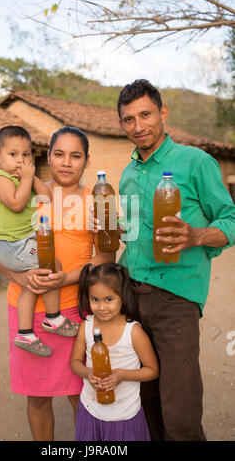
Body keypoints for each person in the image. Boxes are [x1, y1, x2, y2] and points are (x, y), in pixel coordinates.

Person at [115, 79, 235, 441]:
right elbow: (131, 233)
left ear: (163, 113)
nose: (139, 126)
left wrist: (197, 235)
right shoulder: (127, 174)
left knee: (179, 411)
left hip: (176, 300)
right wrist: (107, 228)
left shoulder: (195, 162)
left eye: (146, 114)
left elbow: (230, 219)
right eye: (129, 119)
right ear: (121, 124)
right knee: (143, 399)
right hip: (130, 296)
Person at [0, 126, 115, 441]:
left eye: (75, 156)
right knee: (37, 396)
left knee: (79, 393)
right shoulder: (26, 194)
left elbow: (108, 255)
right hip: (26, 312)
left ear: (86, 161)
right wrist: (21, 277)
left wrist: (65, 278)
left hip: (73, 312)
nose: (66, 163)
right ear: (47, 157)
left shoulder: (98, 199)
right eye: (59, 154)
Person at [0, 125, 79, 358]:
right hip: (11, 245)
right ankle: (53, 318)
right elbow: (16, 204)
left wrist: (33, 177)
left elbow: (46, 197)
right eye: (13, 154)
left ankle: (25, 333)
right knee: (52, 265)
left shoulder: (24, 178)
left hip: (20, 243)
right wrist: (26, 179)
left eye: (25, 155)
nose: (20, 160)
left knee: (33, 283)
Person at [70, 263, 159, 441]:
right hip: (91, 409)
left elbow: (152, 370)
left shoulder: (133, 332)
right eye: (95, 300)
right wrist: (88, 372)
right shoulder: (86, 327)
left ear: (123, 298)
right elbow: (75, 362)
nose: (101, 307)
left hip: (125, 414)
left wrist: (122, 375)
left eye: (109, 299)